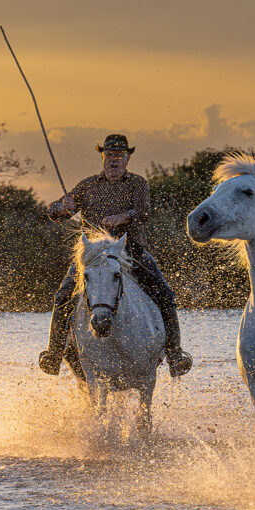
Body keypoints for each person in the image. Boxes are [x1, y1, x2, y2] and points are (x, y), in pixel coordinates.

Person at [38, 134, 193, 377]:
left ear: (127, 158)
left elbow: (144, 212)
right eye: (109, 155)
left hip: (130, 251)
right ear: (103, 156)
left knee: (164, 293)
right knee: (63, 295)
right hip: (93, 254)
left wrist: (123, 217)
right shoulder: (87, 185)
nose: (114, 160)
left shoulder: (137, 184)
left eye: (119, 156)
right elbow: (54, 212)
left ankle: (175, 354)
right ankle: (54, 354)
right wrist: (61, 208)